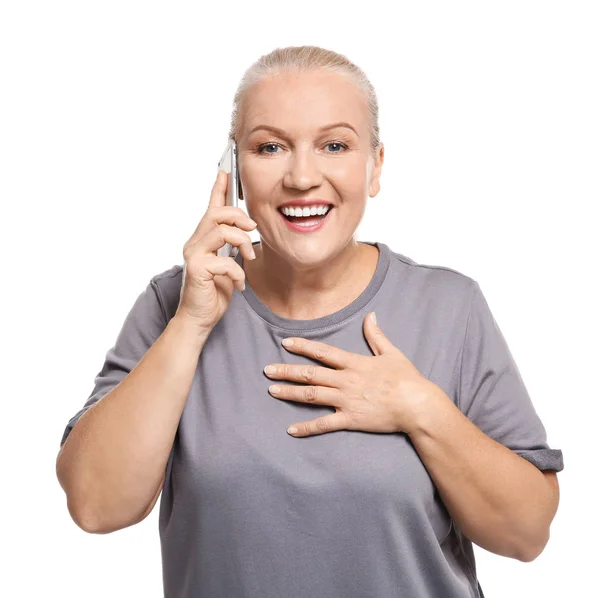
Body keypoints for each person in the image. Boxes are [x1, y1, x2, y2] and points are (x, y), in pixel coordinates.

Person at [56, 45, 564, 598]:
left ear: (375, 167)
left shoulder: (450, 307)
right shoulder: (173, 303)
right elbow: (96, 505)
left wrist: (419, 409)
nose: (302, 176)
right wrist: (191, 325)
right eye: (270, 147)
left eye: (335, 145)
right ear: (235, 171)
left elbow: (525, 534)